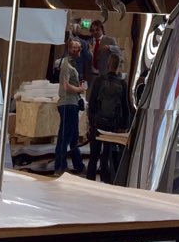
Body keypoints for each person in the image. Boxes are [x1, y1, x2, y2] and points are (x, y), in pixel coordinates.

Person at [86, 51, 131, 183]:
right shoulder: (122, 84)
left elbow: (92, 103)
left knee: (93, 156)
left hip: (97, 123)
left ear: (107, 65)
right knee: (106, 157)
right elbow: (125, 106)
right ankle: (105, 185)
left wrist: (91, 122)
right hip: (111, 126)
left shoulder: (99, 81)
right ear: (118, 66)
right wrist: (124, 126)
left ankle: (89, 183)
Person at [54, 37, 87, 175]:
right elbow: (66, 86)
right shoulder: (66, 65)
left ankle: (79, 166)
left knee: (73, 138)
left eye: (79, 47)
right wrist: (80, 89)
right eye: (75, 47)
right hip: (68, 104)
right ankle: (59, 167)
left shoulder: (73, 65)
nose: (78, 49)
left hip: (73, 103)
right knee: (65, 137)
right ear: (69, 49)